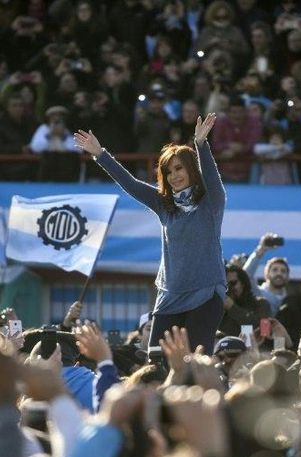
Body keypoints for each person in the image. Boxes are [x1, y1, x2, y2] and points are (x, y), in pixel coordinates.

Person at [74, 114, 226, 355]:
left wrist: (200, 145)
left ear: (191, 170)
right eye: (167, 172)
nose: (173, 176)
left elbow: (212, 179)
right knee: (156, 361)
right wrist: (100, 154)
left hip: (205, 294)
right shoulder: (164, 204)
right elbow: (131, 184)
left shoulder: (211, 203)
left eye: (179, 168)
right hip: (169, 297)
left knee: (196, 363)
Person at [219, 263, 271, 337]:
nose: (229, 288)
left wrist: (232, 308)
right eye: (226, 285)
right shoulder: (220, 308)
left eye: (233, 283)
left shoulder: (262, 304)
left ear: (243, 283)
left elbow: (264, 333)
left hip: (254, 347)